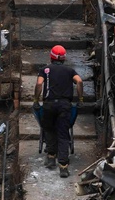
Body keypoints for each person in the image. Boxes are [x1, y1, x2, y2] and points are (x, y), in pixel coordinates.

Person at [34, 45, 83, 177]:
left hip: (49, 105)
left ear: (51, 57)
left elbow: (39, 84)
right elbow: (79, 82)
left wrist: (35, 100)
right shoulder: (70, 71)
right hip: (64, 106)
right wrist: (80, 98)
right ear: (64, 58)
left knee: (49, 129)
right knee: (63, 134)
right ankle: (63, 166)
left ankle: (51, 157)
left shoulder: (45, 70)